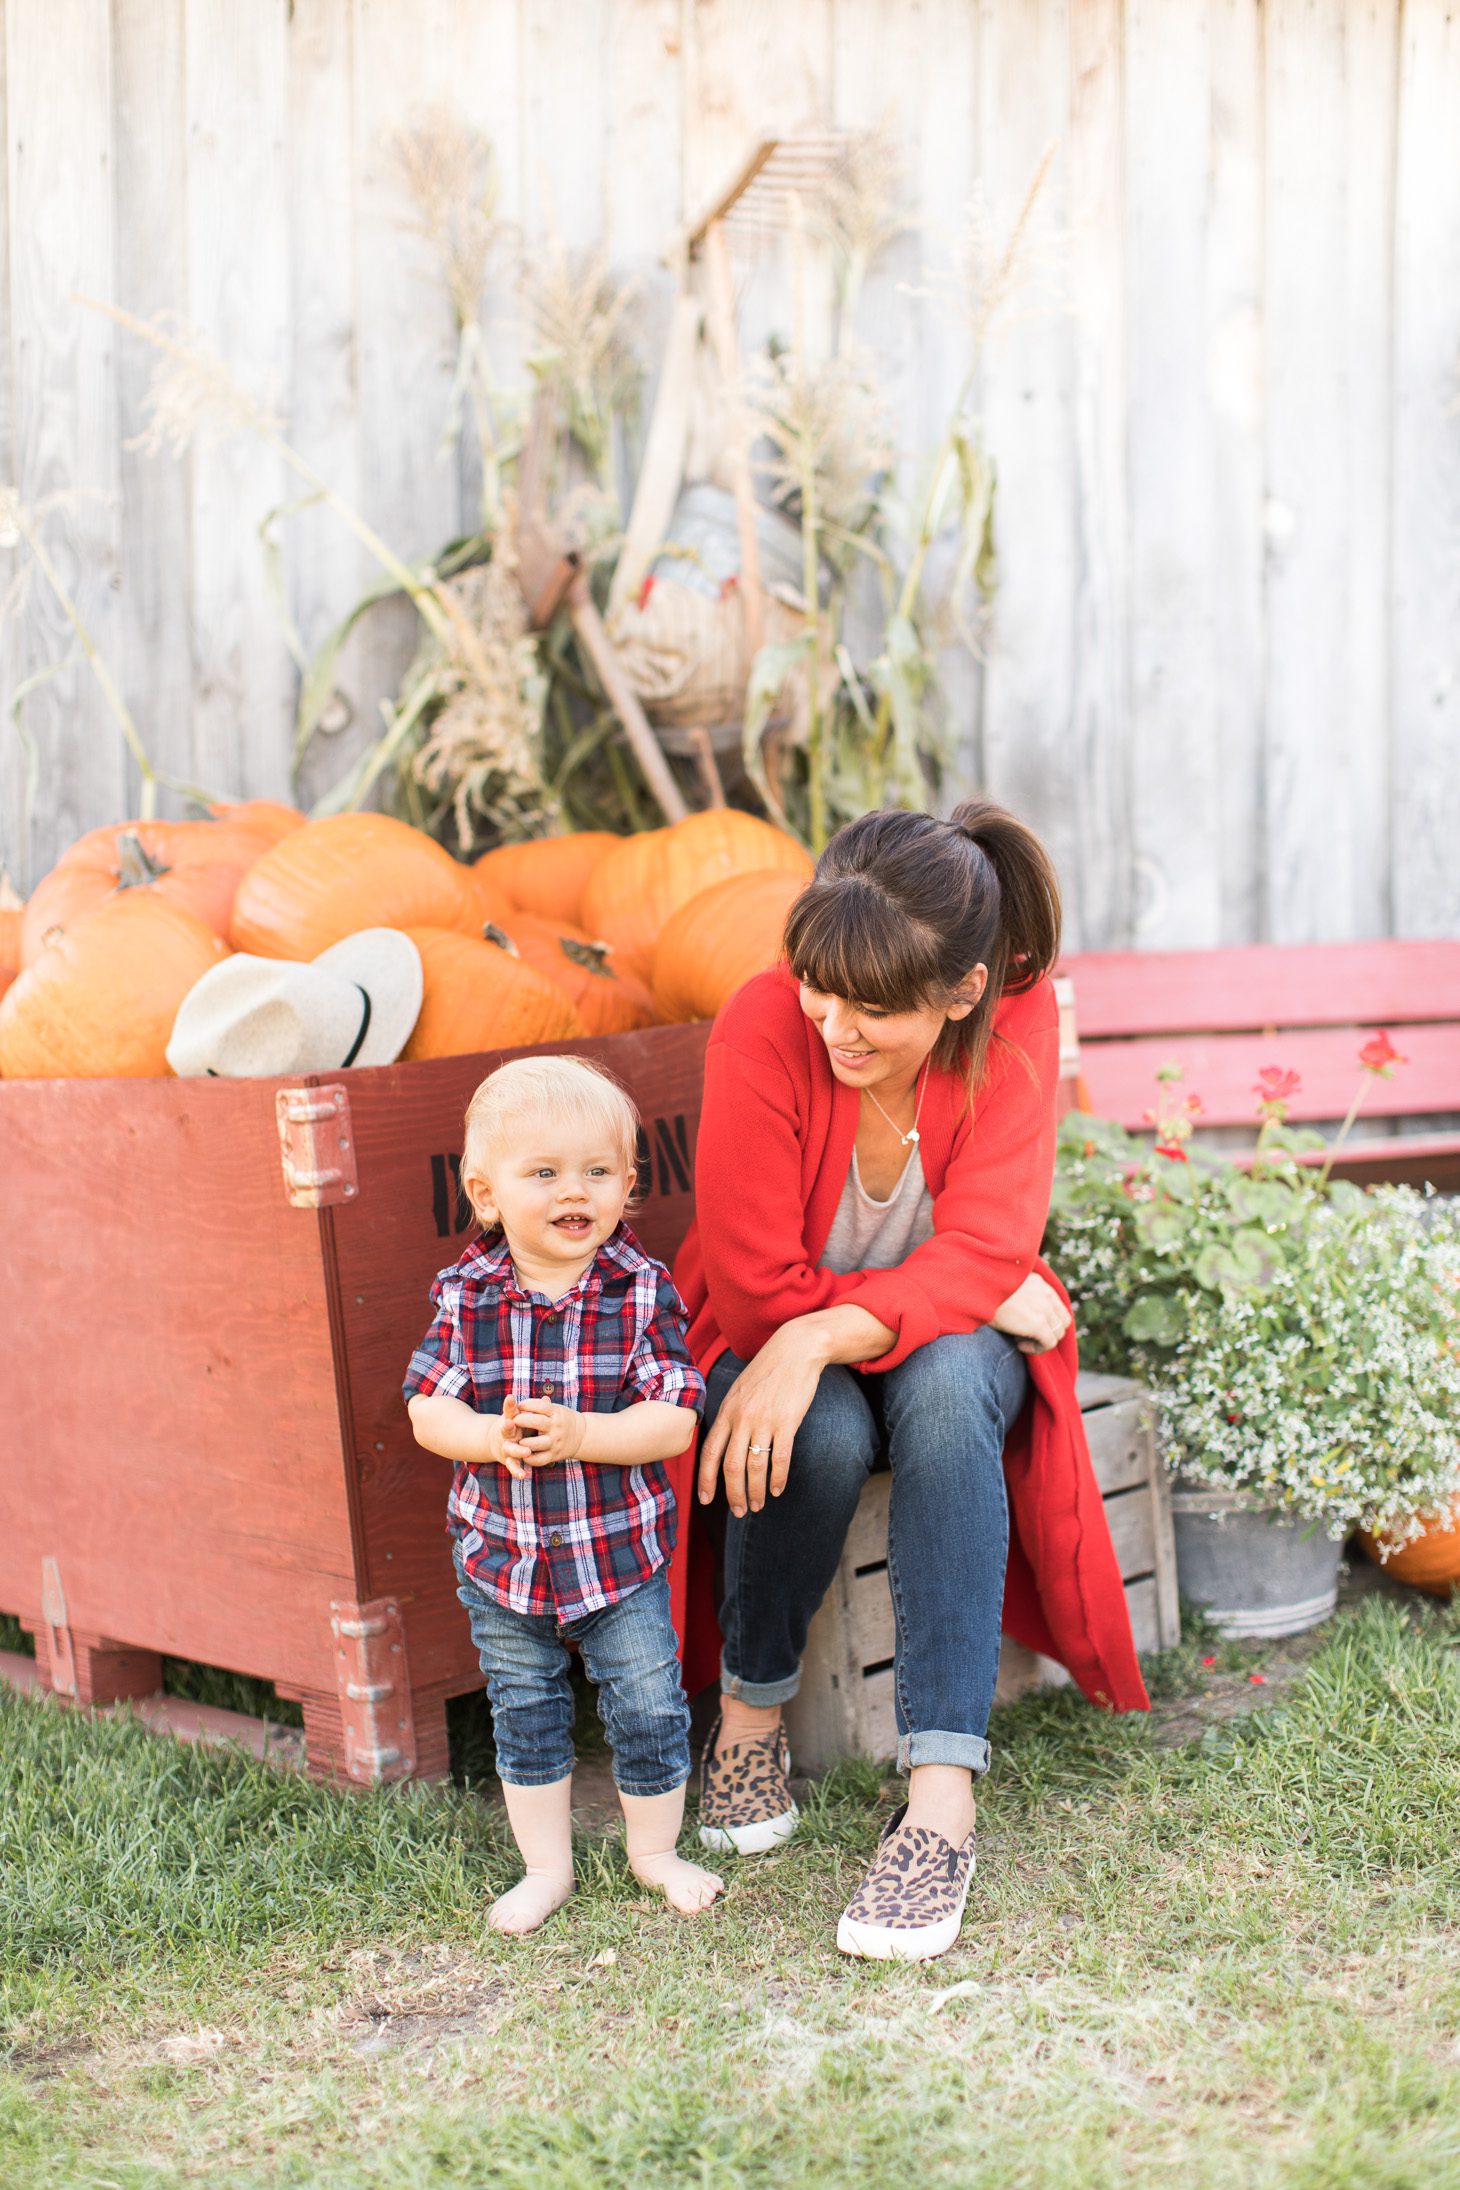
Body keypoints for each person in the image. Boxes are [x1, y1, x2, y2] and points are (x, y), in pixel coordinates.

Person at [676, 800, 1147, 1963]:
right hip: (786, 1320)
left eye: (871, 1010)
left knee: (940, 1398)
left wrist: (826, 1333)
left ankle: (940, 1800)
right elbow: (748, 1285)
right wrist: (811, 1335)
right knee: (820, 1435)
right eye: (816, 988)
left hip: (914, 1340)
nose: (831, 1023)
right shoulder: (759, 1027)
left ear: (961, 993)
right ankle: (747, 1718)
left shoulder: (1015, 1034)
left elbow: (990, 1246)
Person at [404, 1055, 723, 1935]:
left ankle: (653, 1851)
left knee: (650, 1703)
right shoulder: (466, 1298)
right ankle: (546, 1868)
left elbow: (674, 1417)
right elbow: (426, 1406)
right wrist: (483, 1436)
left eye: (594, 1172)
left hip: (615, 1557)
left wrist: (584, 1434)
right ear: (487, 1194)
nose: (571, 1190)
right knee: (527, 1709)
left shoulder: (639, 1290)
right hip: (502, 1560)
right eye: (542, 1173)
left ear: (627, 1185)